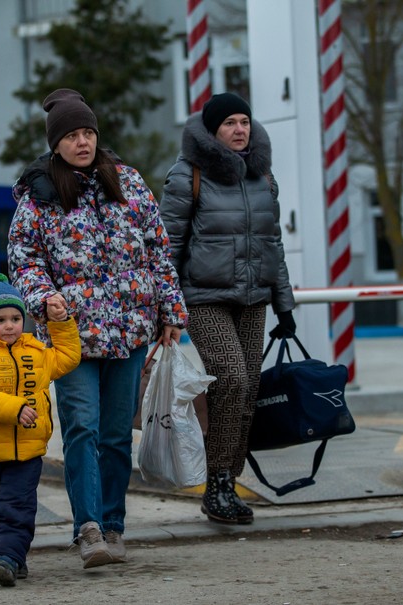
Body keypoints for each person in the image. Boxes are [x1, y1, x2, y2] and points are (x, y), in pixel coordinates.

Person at [7, 88, 188, 569]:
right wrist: (44, 298)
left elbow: (157, 248)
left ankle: (114, 525)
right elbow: (24, 260)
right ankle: (88, 528)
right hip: (72, 338)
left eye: (88, 132)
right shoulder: (39, 195)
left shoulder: (127, 182)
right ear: (56, 144)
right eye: (71, 136)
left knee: (114, 434)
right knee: (82, 428)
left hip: (129, 331)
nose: (82, 142)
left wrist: (171, 312)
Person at [159, 92, 296, 525]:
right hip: (204, 298)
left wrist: (285, 305)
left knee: (248, 388)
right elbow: (166, 246)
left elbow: (273, 243)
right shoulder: (188, 174)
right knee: (232, 378)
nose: (240, 130)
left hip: (253, 299)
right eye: (230, 123)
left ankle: (225, 484)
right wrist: (166, 308)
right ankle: (215, 480)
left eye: (245, 122)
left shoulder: (263, 176)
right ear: (212, 131)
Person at [0, 272, 81, 587]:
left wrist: (60, 322)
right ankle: (11, 556)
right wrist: (14, 409)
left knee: (16, 507)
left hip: (27, 450)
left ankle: (7, 557)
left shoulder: (36, 352)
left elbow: (68, 357)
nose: (10, 325)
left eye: (15, 318)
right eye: (0, 320)